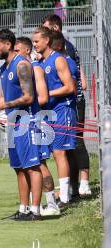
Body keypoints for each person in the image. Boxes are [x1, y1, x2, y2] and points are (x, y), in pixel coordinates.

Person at [0, 29, 43, 220]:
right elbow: (5, 97)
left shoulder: (22, 65)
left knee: (32, 167)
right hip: (14, 123)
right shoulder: (3, 68)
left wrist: (4, 105)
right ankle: (23, 209)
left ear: (8, 44)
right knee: (19, 167)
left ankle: (36, 211)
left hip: (27, 121)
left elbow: (28, 97)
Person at [42, 14, 91, 197]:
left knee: (76, 141)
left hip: (73, 102)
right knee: (67, 145)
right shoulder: (58, 49)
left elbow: (73, 79)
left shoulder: (65, 49)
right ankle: (71, 185)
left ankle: (84, 182)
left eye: (46, 27)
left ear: (55, 28)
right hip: (66, 103)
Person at [33, 26, 77, 209]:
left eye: (37, 41)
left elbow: (69, 87)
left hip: (63, 109)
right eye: (33, 41)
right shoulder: (41, 62)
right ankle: (57, 195)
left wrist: (47, 93)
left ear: (47, 41)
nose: (34, 44)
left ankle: (65, 198)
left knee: (60, 152)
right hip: (48, 112)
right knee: (50, 153)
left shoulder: (58, 60)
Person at [15, 37, 60, 216]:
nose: (15, 56)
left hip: (36, 121)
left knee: (40, 164)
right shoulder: (17, 70)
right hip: (22, 122)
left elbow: (42, 98)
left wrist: (20, 105)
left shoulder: (35, 68)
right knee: (27, 165)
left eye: (17, 51)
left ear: (26, 51)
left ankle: (51, 204)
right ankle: (31, 206)